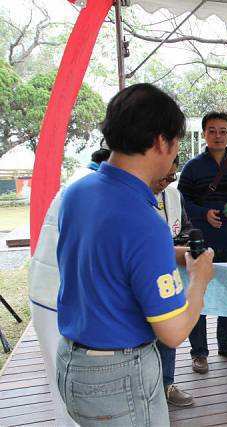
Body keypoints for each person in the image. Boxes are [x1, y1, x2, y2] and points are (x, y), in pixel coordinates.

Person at [55, 83, 214, 426]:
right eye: (176, 143)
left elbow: (107, 256)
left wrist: (171, 254)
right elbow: (173, 332)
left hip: (72, 362)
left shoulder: (78, 191)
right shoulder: (144, 220)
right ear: (161, 142)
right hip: (119, 377)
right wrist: (199, 280)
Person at [28, 148, 110, 426]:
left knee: (64, 383)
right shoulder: (89, 188)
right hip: (56, 298)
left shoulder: (82, 182)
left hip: (51, 294)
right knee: (68, 385)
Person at [178, 111, 227, 371]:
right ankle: (199, 352)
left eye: (223, 131)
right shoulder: (192, 167)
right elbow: (183, 200)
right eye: (212, 130)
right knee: (197, 291)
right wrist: (203, 214)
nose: (218, 135)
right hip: (200, 238)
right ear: (204, 134)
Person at [151, 156, 194, 407]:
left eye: (172, 176)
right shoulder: (129, 198)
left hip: (168, 275)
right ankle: (149, 389)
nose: (166, 181)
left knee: (167, 333)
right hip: (141, 279)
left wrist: (188, 244)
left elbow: (184, 227)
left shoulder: (173, 195)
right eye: (164, 175)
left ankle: (167, 384)